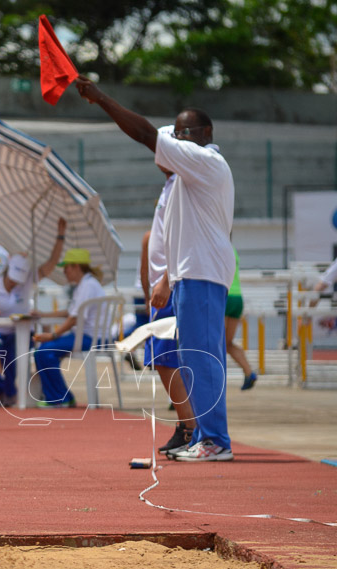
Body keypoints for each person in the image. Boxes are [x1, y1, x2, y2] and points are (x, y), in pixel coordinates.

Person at [75, 76, 235, 462]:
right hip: (188, 273)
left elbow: (147, 132)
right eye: (176, 133)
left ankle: (215, 440)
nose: (178, 139)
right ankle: (204, 434)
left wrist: (100, 98)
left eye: (186, 133)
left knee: (201, 356)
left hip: (201, 272)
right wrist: (165, 278)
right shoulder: (185, 176)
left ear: (206, 134)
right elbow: (154, 136)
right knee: (189, 356)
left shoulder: (206, 162)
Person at [0, 218, 68, 406]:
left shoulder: (26, 281)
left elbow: (51, 263)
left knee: (13, 355)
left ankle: (10, 394)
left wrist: (60, 236)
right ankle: (3, 388)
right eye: (12, 278)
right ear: (7, 271)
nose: (15, 283)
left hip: (20, 332)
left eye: (18, 279)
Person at [140, 170, 196, 456]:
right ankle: (188, 425)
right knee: (168, 358)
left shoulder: (180, 186)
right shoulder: (170, 188)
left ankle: (189, 427)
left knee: (164, 358)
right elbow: (144, 270)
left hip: (171, 287)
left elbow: (180, 241)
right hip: (163, 292)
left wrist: (163, 283)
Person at [30, 248, 106, 408]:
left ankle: (59, 397)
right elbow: (71, 312)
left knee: (43, 351)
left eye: (67, 267)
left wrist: (52, 335)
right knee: (44, 352)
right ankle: (61, 396)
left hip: (89, 338)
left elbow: (74, 318)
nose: (64, 271)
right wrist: (44, 314)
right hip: (90, 336)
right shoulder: (86, 284)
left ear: (76, 266)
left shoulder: (87, 286)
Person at [226, 249, 257, 391]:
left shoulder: (215, 244)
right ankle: (249, 372)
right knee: (227, 343)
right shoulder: (233, 250)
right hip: (238, 298)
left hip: (224, 296)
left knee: (216, 343)